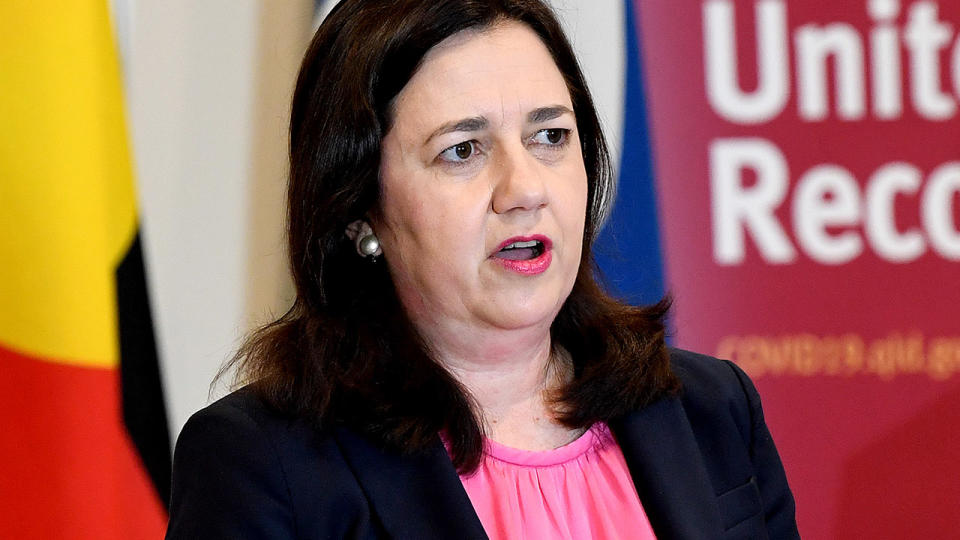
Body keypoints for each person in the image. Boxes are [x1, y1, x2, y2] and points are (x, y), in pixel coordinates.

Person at [166, 1, 799, 538]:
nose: (524, 188)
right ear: (359, 211)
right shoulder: (262, 466)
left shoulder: (713, 411)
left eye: (550, 136)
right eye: (462, 151)